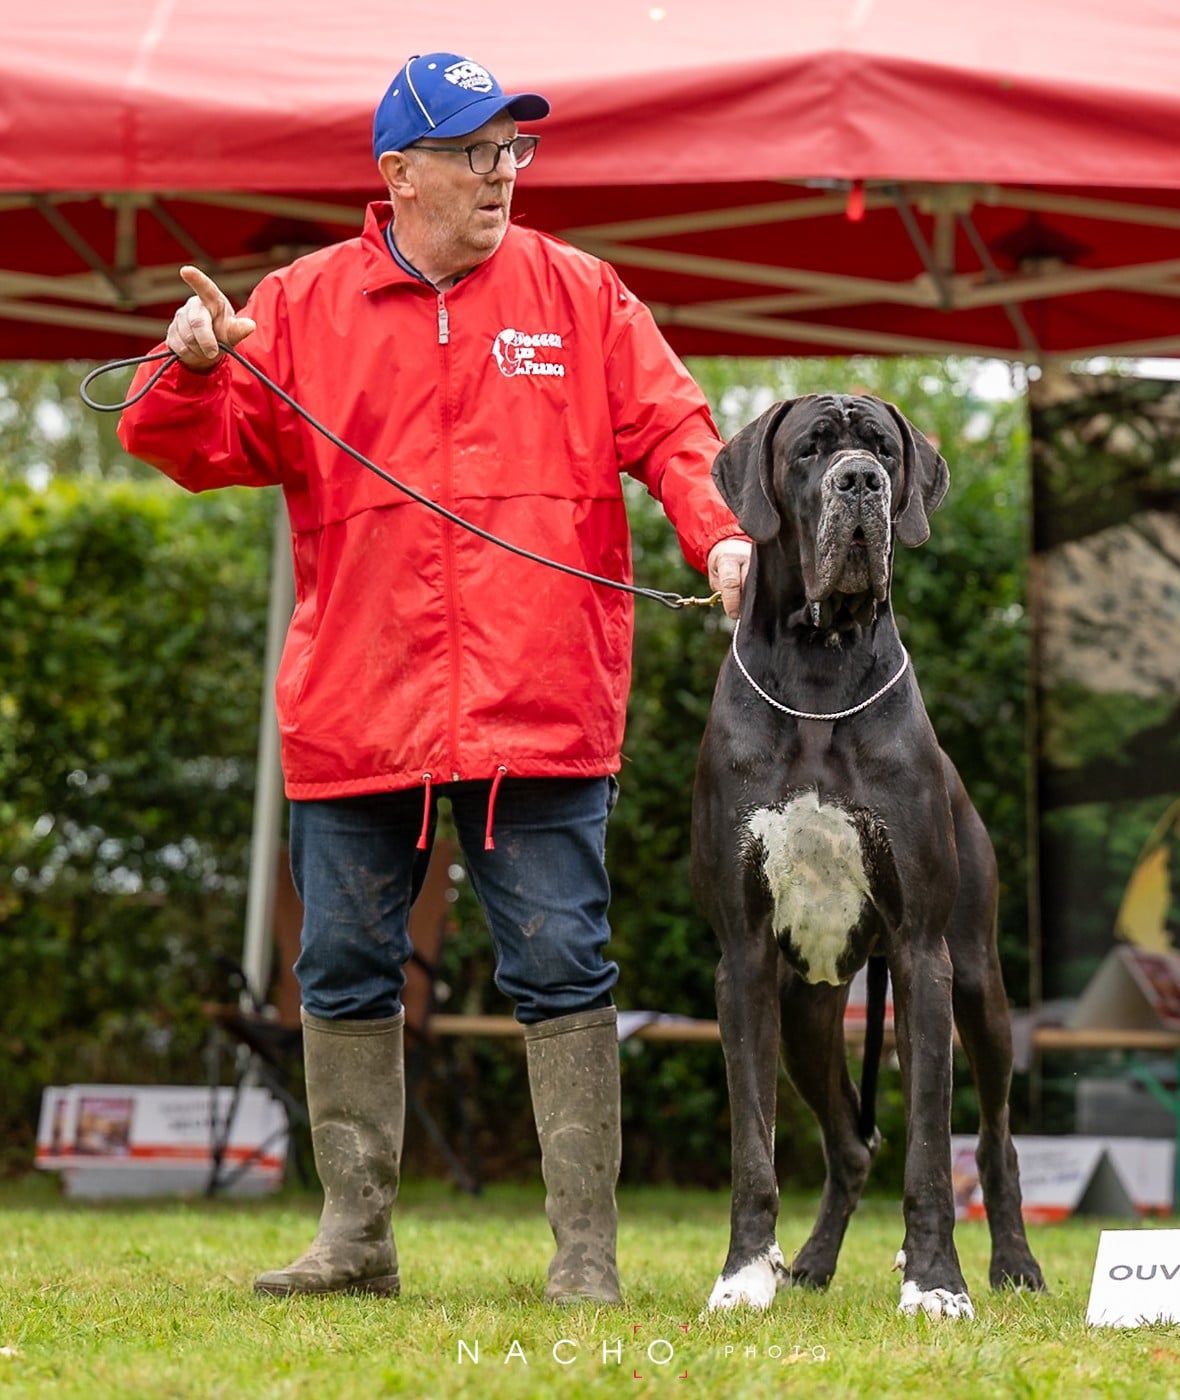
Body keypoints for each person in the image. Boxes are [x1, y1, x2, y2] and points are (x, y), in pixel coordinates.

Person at [118, 52, 751, 1306]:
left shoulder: (582, 293)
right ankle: (355, 1239)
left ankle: (585, 1255)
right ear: (397, 172)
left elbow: (677, 433)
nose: (499, 173)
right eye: (472, 151)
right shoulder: (297, 305)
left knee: (563, 969)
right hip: (358, 706)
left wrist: (721, 536)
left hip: (541, 701)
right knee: (343, 971)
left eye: (510, 148)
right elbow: (183, 444)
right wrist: (187, 361)